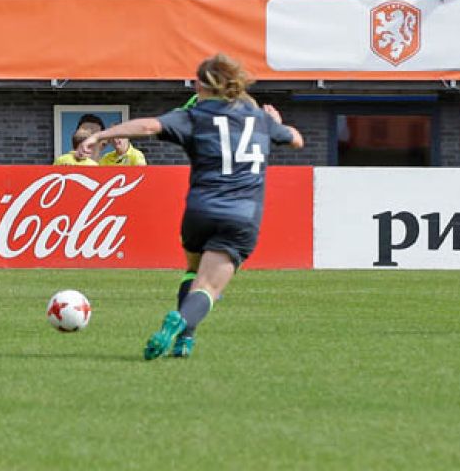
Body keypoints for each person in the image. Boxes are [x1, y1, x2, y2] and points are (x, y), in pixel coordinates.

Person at [79, 54, 304, 359]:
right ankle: (182, 322)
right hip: (241, 216)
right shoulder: (259, 119)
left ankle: (185, 340)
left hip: (199, 212)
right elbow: (296, 140)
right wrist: (277, 125)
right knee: (208, 288)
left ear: (198, 84)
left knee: (194, 272)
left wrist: (103, 134)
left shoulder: (195, 116)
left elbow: (148, 127)